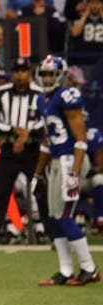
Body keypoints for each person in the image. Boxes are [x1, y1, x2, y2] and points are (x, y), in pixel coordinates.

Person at [34, 55, 100, 286]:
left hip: (71, 159)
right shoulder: (42, 100)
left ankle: (90, 268)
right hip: (55, 160)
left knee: (65, 216)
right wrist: (36, 172)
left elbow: (81, 139)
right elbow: (46, 140)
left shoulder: (67, 96)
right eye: (44, 73)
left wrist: (74, 171)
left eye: (51, 73)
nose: (47, 78)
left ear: (61, 74)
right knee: (54, 218)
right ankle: (65, 270)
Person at [0, 57, 44, 249]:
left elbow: (46, 118)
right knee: (0, 192)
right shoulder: (1, 94)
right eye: (16, 71)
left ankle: (51, 232)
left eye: (23, 71)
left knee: (41, 190)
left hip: (32, 149)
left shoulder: (40, 94)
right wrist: (13, 131)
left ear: (30, 73)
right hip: (8, 149)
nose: (19, 75)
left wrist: (27, 134)